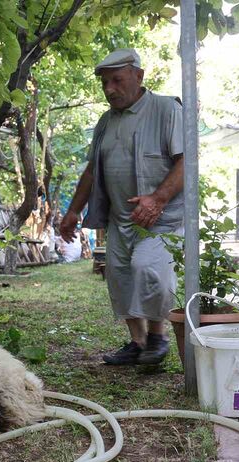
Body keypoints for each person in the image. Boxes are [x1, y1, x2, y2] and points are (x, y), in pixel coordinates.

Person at [58, 49, 184, 366]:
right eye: (104, 83)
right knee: (120, 277)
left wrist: (157, 199)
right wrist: (74, 211)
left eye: (116, 80)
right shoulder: (105, 122)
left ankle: (158, 337)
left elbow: (188, 162)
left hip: (162, 219)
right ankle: (138, 343)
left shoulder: (166, 109)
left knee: (149, 269)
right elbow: (91, 171)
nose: (109, 89)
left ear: (139, 76)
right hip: (120, 219)